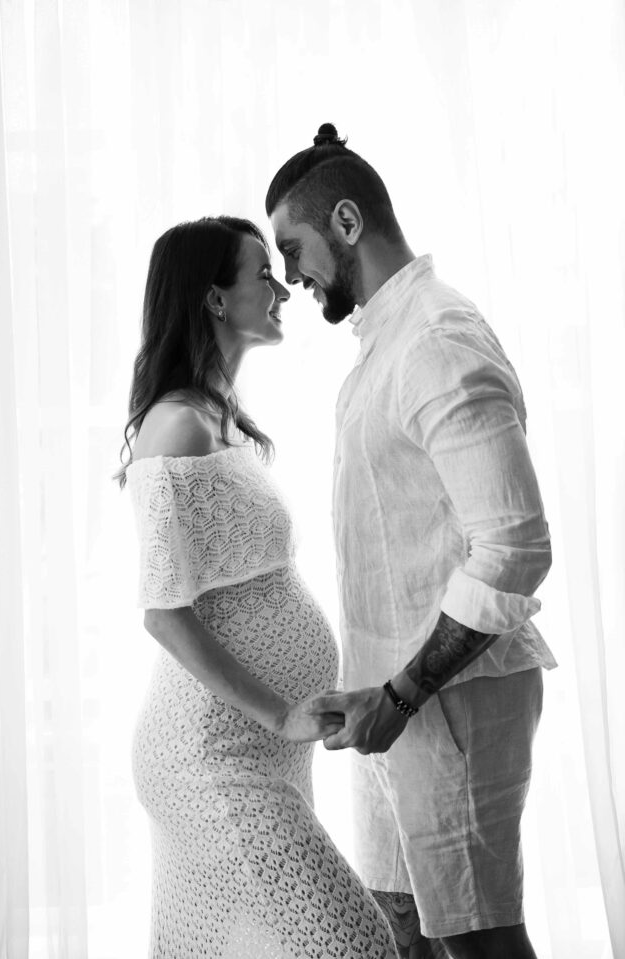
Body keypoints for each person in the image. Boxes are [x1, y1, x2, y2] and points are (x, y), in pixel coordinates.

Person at [265, 125, 556, 959]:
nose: (291, 276)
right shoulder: (386, 342)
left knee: (481, 943)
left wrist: (400, 694)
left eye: (293, 248)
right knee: (402, 932)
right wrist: (381, 698)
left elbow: (513, 547)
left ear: (346, 222)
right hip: (390, 708)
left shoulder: (435, 339)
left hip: (447, 704)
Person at [116, 216, 397, 958]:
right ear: (215, 298)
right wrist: (280, 712)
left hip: (264, 751)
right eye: (262, 275)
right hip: (212, 755)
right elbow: (164, 613)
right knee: (357, 945)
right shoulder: (175, 426)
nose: (283, 289)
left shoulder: (221, 421)